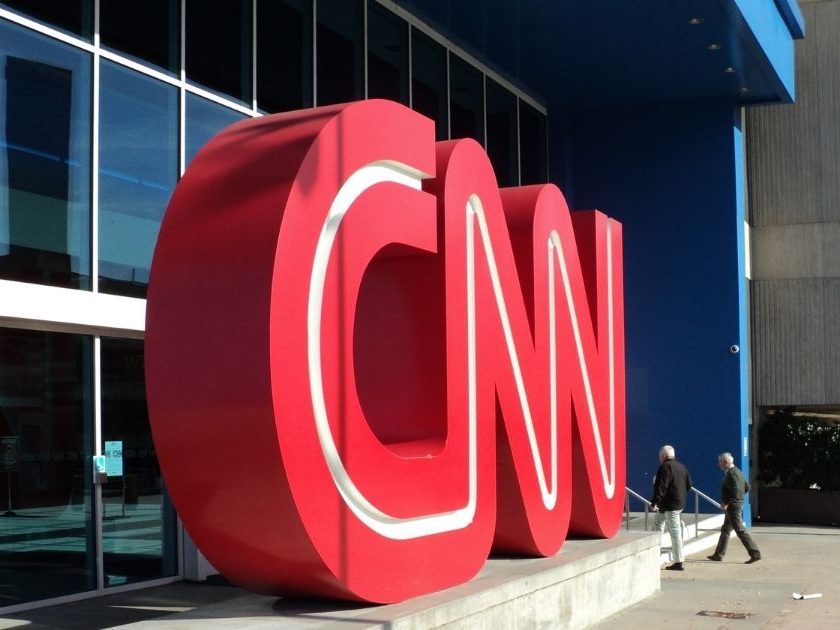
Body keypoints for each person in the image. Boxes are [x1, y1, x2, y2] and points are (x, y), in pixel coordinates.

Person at [707, 452, 762, 564]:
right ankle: (718, 554)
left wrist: (728, 502)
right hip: (735, 504)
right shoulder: (737, 472)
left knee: (740, 530)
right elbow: (747, 487)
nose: (719, 465)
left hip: (733, 506)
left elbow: (737, 490)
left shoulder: (732, 474)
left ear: (726, 463)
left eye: (720, 462)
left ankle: (755, 553)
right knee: (726, 529)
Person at [651, 445, 692, 571]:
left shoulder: (664, 467)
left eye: (660, 456)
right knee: (657, 523)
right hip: (677, 504)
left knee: (675, 533)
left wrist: (655, 502)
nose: (659, 458)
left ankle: (679, 561)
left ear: (663, 456)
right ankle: (654, 551)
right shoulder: (682, 467)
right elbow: (689, 485)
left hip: (670, 505)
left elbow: (661, 486)